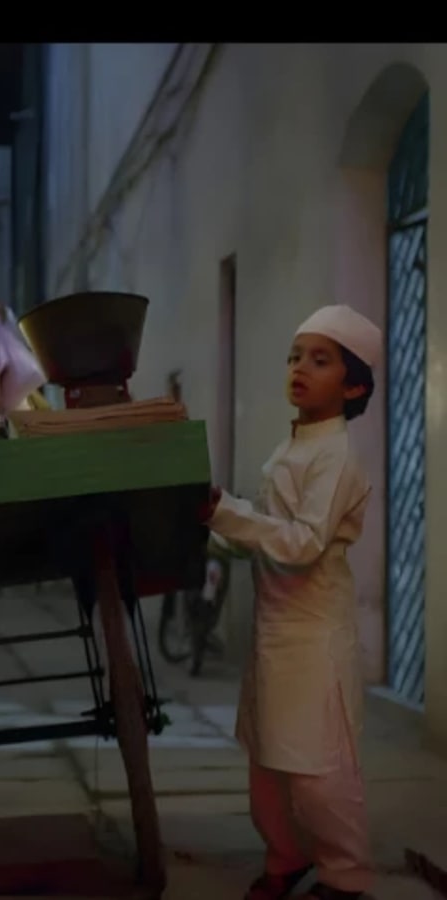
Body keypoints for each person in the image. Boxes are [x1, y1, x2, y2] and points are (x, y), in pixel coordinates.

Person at [203, 304, 381, 900]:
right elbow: (268, 530)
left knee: (318, 770)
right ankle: (285, 858)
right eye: (295, 356)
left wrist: (227, 513)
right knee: (269, 761)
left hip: (312, 636)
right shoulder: (294, 446)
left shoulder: (336, 455)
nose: (299, 368)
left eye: (320, 360)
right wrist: (212, 526)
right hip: (274, 630)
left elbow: (303, 543)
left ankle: (344, 874)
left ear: (354, 385)